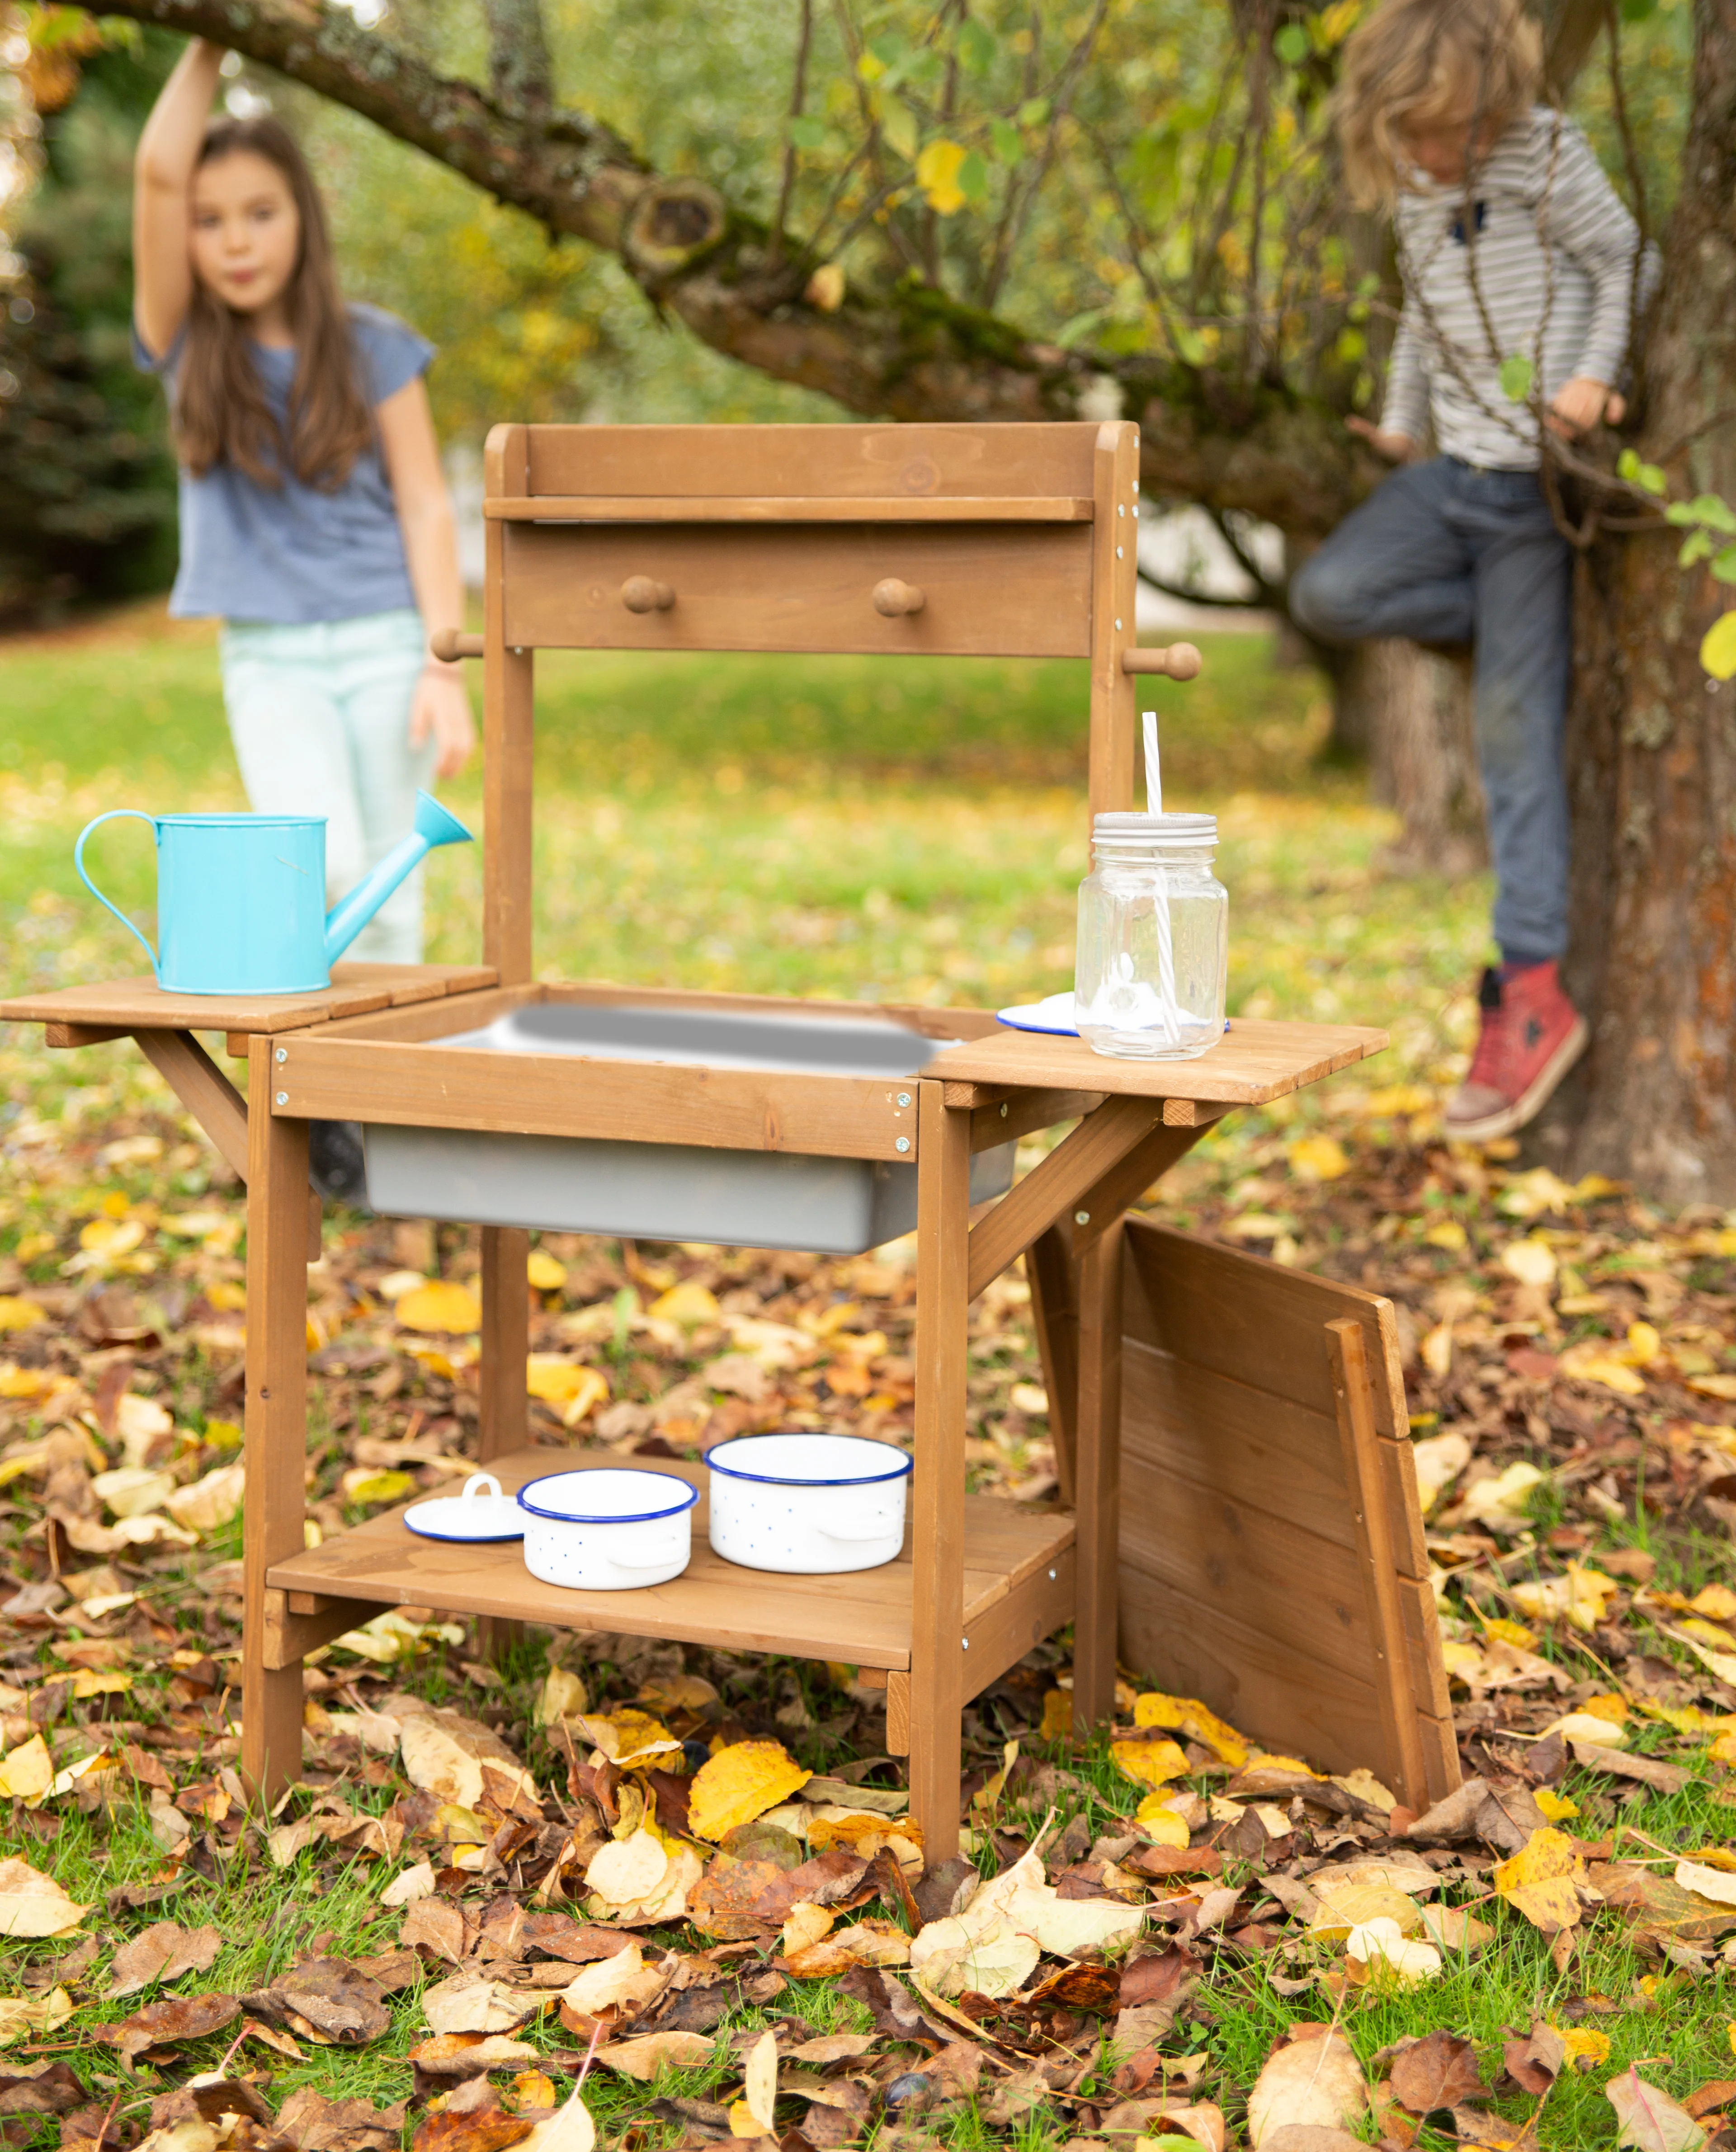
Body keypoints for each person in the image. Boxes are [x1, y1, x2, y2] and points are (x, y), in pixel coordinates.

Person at [1289, 0, 1649, 1144]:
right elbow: (1423, 319)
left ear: (1491, 100)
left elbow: (1621, 260)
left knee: (1513, 754)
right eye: (1410, 135)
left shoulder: (1548, 156)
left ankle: (1533, 991)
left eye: (1446, 132)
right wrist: (1402, 424)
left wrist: (1592, 379)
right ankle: (1513, 636)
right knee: (1331, 593)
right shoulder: (1415, 184)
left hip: (1533, 494)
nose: (1431, 154)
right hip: (1451, 478)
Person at [132, 38, 475, 1194]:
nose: (234, 239)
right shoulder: (185, 345)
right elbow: (155, 177)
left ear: (302, 219)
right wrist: (213, 35)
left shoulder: (375, 347)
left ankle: (374, 1130)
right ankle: (310, 1103)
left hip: (387, 638)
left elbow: (428, 507)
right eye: (213, 218)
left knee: (393, 884)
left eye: (261, 212)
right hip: (269, 657)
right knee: (315, 864)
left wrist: (446, 664)